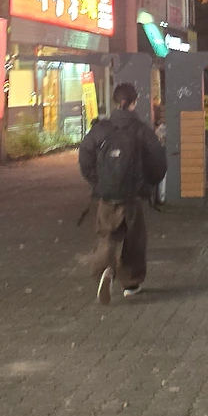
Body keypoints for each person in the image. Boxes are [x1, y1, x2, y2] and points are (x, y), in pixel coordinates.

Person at [79, 82, 167, 305]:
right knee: (134, 238)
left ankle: (105, 269)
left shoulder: (101, 129)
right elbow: (158, 161)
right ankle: (131, 283)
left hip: (107, 194)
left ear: (115, 102)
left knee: (107, 233)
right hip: (132, 195)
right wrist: (148, 185)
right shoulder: (141, 130)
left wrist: (97, 182)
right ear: (134, 102)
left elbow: (85, 155)